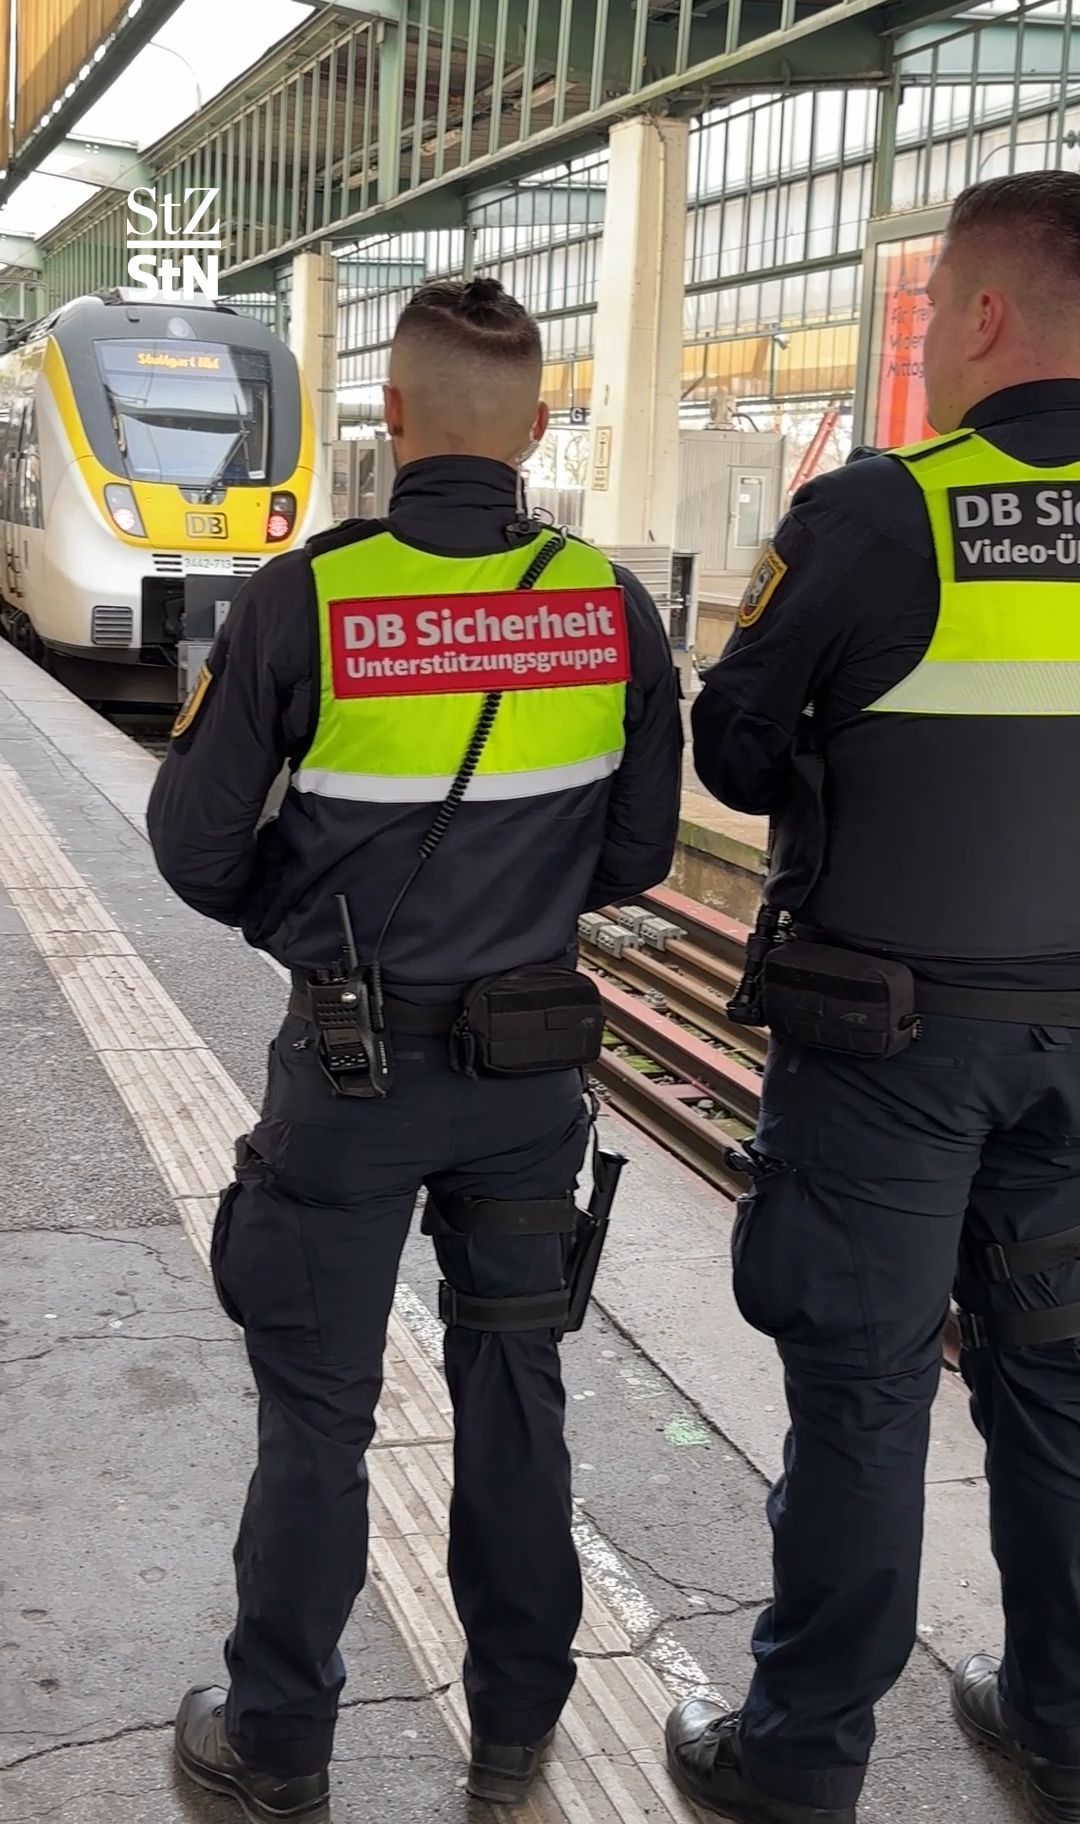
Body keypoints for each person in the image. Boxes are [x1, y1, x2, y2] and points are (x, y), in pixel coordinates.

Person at [147, 277, 682, 1822]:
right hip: (528, 1075)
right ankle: (516, 1736)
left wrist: (303, 922)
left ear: (390, 416)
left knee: (318, 1409)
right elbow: (639, 853)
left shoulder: (308, 600)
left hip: (351, 1076)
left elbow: (191, 847)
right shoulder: (607, 604)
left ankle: (280, 1746)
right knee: (517, 1385)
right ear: (535, 423)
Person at [665, 168, 1080, 1824]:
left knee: (864, 1387)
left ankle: (801, 1755)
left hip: (894, 1048)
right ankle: (1059, 1717)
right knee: (1059, 1380)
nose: (919, 339)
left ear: (982, 315)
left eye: (924, 312)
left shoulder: (884, 512)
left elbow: (735, 750)